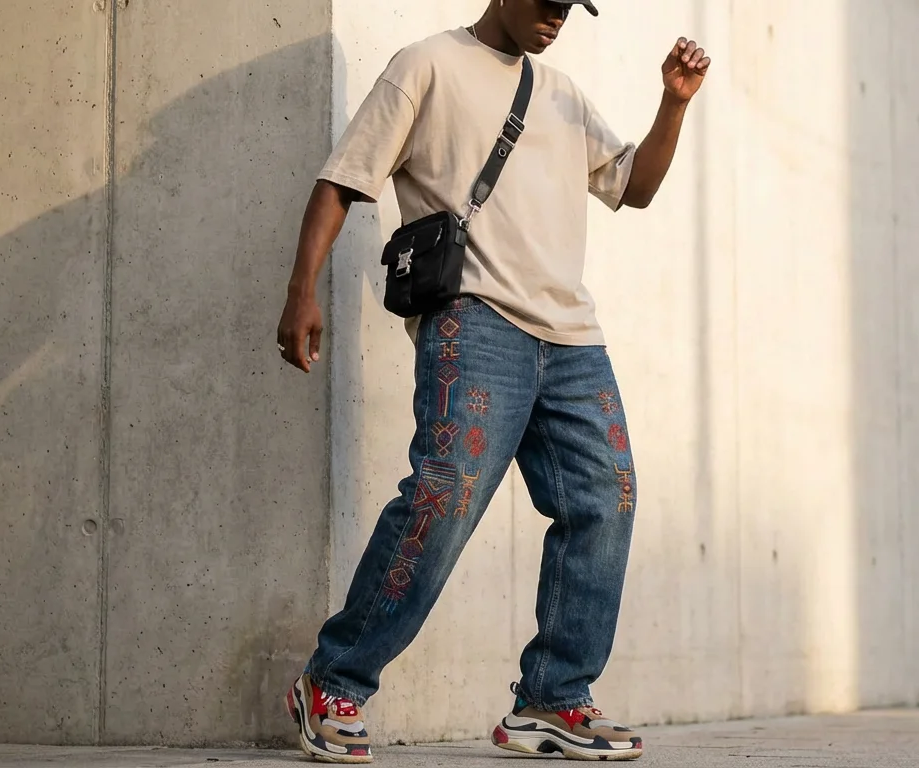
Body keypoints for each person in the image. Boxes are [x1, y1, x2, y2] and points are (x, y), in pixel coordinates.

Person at [276, 0, 709, 762]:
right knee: (445, 497)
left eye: (567, 7)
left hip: (572, 339)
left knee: (606, 501)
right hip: (474, 324)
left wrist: (671, 103)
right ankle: (333, 679)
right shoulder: (427, 65)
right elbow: (342, 181)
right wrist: (302, 290)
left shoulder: (564, 92)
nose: (555, 17)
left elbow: (633, 188)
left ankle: (552, 697)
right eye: (543, 2)